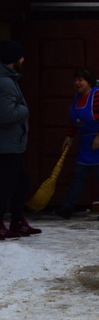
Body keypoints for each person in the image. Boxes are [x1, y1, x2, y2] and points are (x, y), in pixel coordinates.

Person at [55, 68, 99, 221]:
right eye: (75, 80)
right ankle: (68, 207)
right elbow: (76, 120)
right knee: (78, 176)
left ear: (89, 82)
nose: (77, 83)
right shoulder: (78, 98)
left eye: (81, 80)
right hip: (86, 142)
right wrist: (69, 136)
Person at [0, 40, 40, 239]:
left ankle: (17, 221)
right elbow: (5, 115)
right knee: (7, 184)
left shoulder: (9, 79)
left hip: (11, 144)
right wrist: (24, 108)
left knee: (22, 182)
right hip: (6, 145)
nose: (23, 59)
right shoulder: (5, 82)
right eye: (21, 56)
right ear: (13, 59)